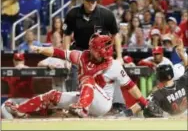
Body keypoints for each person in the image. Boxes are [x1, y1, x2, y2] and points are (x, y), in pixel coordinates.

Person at [5, 34, 148, 118]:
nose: (91, 49)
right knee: (52, 95)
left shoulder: (114, 66)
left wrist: (144, 103)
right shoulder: (81, 56)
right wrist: (42, 49)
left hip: (103, 103)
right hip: (84, 98)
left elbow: (131, 86)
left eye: (95, 48)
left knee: (88, 79)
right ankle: (20, 110)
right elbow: (58, 53)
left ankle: (81, 108)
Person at [1, 53, 34, 119]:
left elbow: (32, 71)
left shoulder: (28, 70)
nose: (18, 62)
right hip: (13, 100)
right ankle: (12, 123)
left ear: (23, 61)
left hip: (26, 99)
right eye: (16, 60)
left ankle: (25, 123)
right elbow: (2, 76)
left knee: (21, 110)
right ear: (13, 61)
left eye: (20, 60)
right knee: (3, 108)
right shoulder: (10, 72)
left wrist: (24, 68)